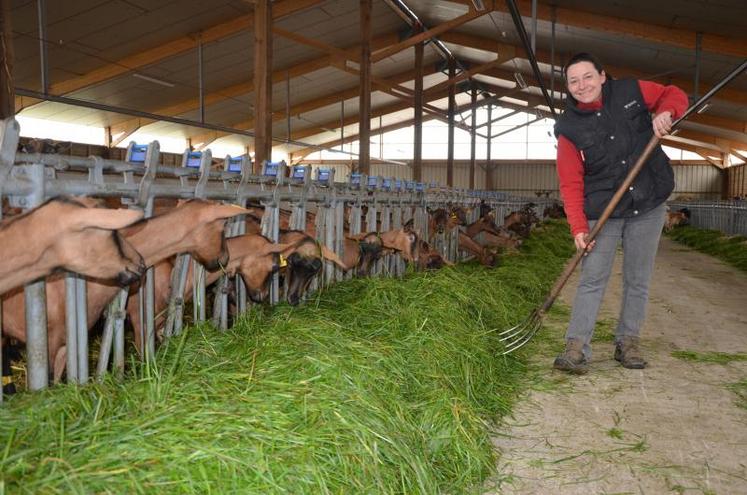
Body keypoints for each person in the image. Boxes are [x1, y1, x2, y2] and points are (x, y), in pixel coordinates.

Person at [552, 53, 689, 374]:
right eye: (573, 81)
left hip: (649, 202)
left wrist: (666, 112)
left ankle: (627, 341)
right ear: (568, 87)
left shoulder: (631, 92)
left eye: (587, 77)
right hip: (604, 211)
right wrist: (577, 228)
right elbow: (570, 183)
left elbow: (675, 93)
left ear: (602, 76)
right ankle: (576, 346)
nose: (581, 85)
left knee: (637, 279)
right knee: (592, 278)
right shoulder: (568, 128)